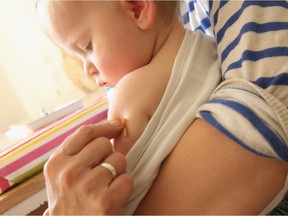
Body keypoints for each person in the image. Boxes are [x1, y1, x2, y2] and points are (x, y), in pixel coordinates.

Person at [37, 0, 288, 215]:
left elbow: (123, 187)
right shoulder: (209, 45)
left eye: (87, 48)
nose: (87, 69)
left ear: (138, 9)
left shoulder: (127, 96)